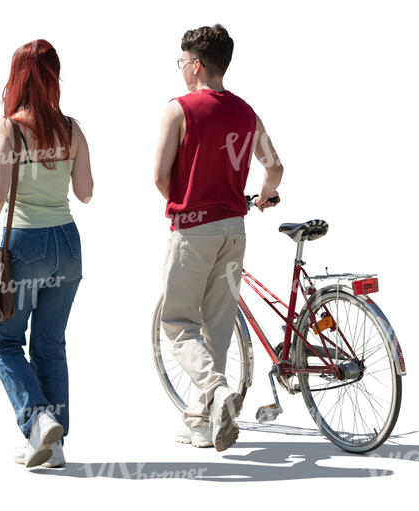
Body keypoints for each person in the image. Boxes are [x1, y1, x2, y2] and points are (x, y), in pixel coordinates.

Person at [0, 39, 94, 468]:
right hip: (68, 246)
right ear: (55, 76)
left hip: (26, 245)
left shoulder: (8, 129)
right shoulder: (73, 128)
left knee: (2, 340)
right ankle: (53, 446)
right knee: (51, 344)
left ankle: (37, 420)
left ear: (17, 77)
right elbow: (85, 193)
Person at [154, 24, 284, 451]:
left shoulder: (179, 109)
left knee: (177, 323)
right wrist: (264, 198)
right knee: (218, 328)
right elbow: (275, 168)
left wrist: (187, 200)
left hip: (194, 230)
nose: (181, 71)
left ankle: (219, 390)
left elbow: (160, 177)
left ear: (196, 65)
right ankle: (202, 421)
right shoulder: (247, 112)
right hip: (235, 228)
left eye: (182, 62)